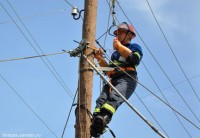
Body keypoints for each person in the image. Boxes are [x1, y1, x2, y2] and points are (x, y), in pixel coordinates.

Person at [90, 22, 143, 137]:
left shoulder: (135, 47)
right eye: (117, 33)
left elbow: (135, 59)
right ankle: (95, 124)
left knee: (114, 97)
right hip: (113, 79)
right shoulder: (115, 54)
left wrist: (119, 47)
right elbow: (108, 71)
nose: (117, 35)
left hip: (127, 78)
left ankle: (104, 118)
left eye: (121, 32)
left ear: (130, 35)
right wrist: (98, 57)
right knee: (101, 99)